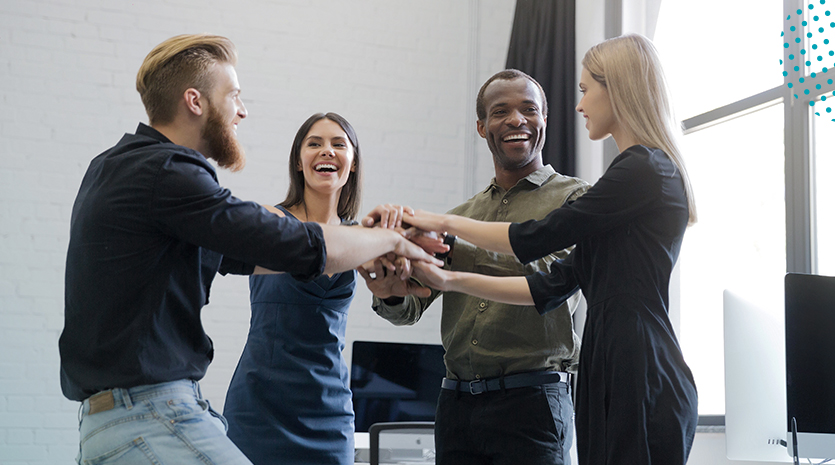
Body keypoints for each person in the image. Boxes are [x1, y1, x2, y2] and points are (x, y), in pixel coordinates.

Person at [59, 34, 440, 465]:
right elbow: (291, 241)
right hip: (150, 415)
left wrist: (375, 250)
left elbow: (257, 251)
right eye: (234, 96)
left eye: (338, 144)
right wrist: (393, 238)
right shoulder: (168, 172)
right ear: (195, 102)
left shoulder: (118, 166)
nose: (241, 111)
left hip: (128, 417)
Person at [400, 34, 699, 465]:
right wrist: (444, 278)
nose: (580, 105)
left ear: (616, 86)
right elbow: (546, 286)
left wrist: (439, 222)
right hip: (606, 361)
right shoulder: (628, 179)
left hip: (638, 363)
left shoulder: (642, 169)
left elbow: (534, 237)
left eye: (585, 90)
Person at [360, 69, 590, 465]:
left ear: (544, 121)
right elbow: (409, 310)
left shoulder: (575, 199)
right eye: (501, 111)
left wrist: (454, 247)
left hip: (532, 405)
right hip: (455, 405)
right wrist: (388, 289)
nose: (517, 119)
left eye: (528, 109)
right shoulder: (461, 215)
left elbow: (552, 278)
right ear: (482, 128)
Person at [223, 112, 363, 464]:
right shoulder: (268, 220)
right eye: (314, 144)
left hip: (330, 410)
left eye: (338, 144)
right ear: (299, 163)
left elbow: (395, 297)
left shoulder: (360, 237)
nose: (326, 151)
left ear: (353, 163)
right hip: (261, 407)